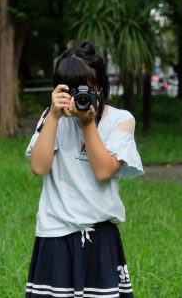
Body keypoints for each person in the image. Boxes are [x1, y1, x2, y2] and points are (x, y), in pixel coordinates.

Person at [24, 42, 143, 298]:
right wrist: (54, 116)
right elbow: (39, 167)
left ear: (101, 86)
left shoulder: (120, 120)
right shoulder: (51, 118)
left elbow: (104, 171)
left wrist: (88, 123)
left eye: (87, 88)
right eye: (71, 88)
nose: (80, 95)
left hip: (100, 237)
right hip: (55, 232)